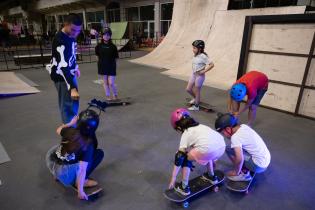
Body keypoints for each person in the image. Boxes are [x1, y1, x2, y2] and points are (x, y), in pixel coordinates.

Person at [46, 108, 104, 200]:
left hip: (51, 162)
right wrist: (80, 191)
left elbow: (58, 129)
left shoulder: (69, 130)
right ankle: (81, 182)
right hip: (65, 174)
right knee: (99, 154)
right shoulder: (88, 145)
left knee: (64, 146)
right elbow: (82, 170)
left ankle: (56, 175)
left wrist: (70, 123)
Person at [168, 108, 226, 196]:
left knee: (185, 158)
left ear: (179, 127)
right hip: (222, 146)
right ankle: (212, 176)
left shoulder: (186, 133)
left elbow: (179, 157)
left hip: (208, 150)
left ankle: (184, 187)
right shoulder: (201, 126)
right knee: (206, 149)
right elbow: (208, 144)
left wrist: (173, 178)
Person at [47, 13, 82, 124]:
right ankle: (68, 130)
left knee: (74, 100)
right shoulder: (60, 40)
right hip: (61, 75)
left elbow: (71, 54)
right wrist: (72, 87)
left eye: (78, 31)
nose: (75, 33)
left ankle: (73, 124)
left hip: (69, 72)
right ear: (65, 24)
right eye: (73, 30)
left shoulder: (71, 36)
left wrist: (75, 67)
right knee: (67, 103)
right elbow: (63, 66)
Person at [215, 113, 271, 181]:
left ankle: (242, 174)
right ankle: (243, 167)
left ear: (228, 129)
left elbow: (239, 158)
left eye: (223, 133)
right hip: (266, 159)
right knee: (236, 149)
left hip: (258, 166)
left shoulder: (235, 137)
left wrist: (235, 172)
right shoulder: (243, 126)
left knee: (227, 149)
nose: (224, 135)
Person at [186, 40, 214, 111]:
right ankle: (196, 98)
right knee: (188, 89)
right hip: (194, 74)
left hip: (200, 76)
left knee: (196, 91)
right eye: (193, 48)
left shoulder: (203, 56)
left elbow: (212, 64)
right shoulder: (196, 55)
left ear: (200, 49)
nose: (193, 50)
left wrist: (204, 71)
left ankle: (196, 106)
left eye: (194, 48)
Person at [95, 27, 119, 100]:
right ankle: (108, 96)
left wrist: (114, 65)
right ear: (102, 36)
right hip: (103, 66)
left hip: (111, 66)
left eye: (108, 35)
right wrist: (100, 64)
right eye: (105, 35)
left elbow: (116, 58)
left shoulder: (113, 47)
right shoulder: (98, 46)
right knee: (105, 83)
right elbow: (97, 56)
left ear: (110, 36)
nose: (106, 36)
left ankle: (115, 95)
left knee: (111, 83)